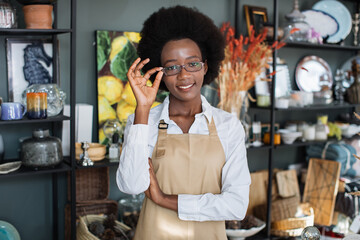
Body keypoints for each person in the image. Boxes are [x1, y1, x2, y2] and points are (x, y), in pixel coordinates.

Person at [116, 5, 251, 240]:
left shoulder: (227, 126)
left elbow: (236, 206)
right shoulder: (142, 122)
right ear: (159, 72)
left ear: (205, 66)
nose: (184, 75)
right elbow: (131, 185)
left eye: (193, 63)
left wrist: (164, 200)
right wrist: (143, 110)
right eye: (172, 67)